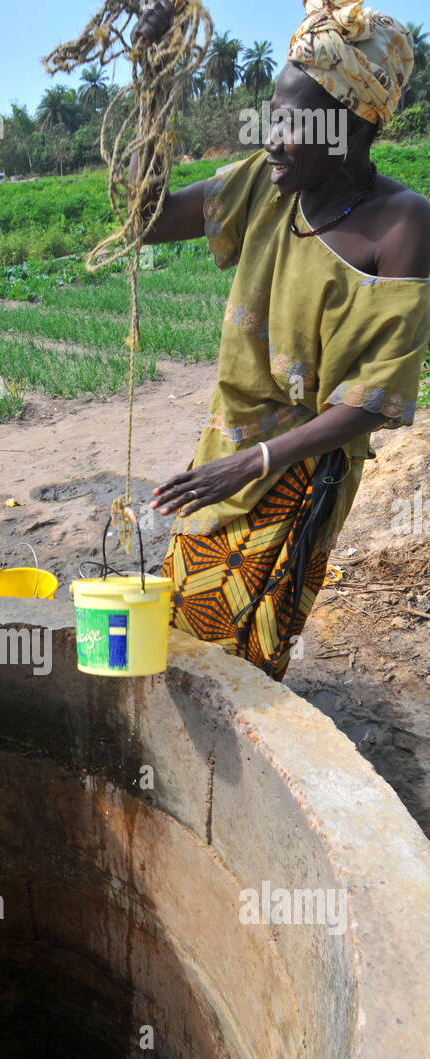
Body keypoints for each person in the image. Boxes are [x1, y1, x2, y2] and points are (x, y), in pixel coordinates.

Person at [140, 0, 430, 679]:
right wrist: (152, 85)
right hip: (225, 448)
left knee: (246, 648)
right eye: (273, 114)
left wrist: (257, 461)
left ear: (355, 126)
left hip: (297, 471)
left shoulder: (401, 225)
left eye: (295, 122)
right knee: (181, 620)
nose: (273, 135)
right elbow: (147, 218)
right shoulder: (264, 188)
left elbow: (373, 399)